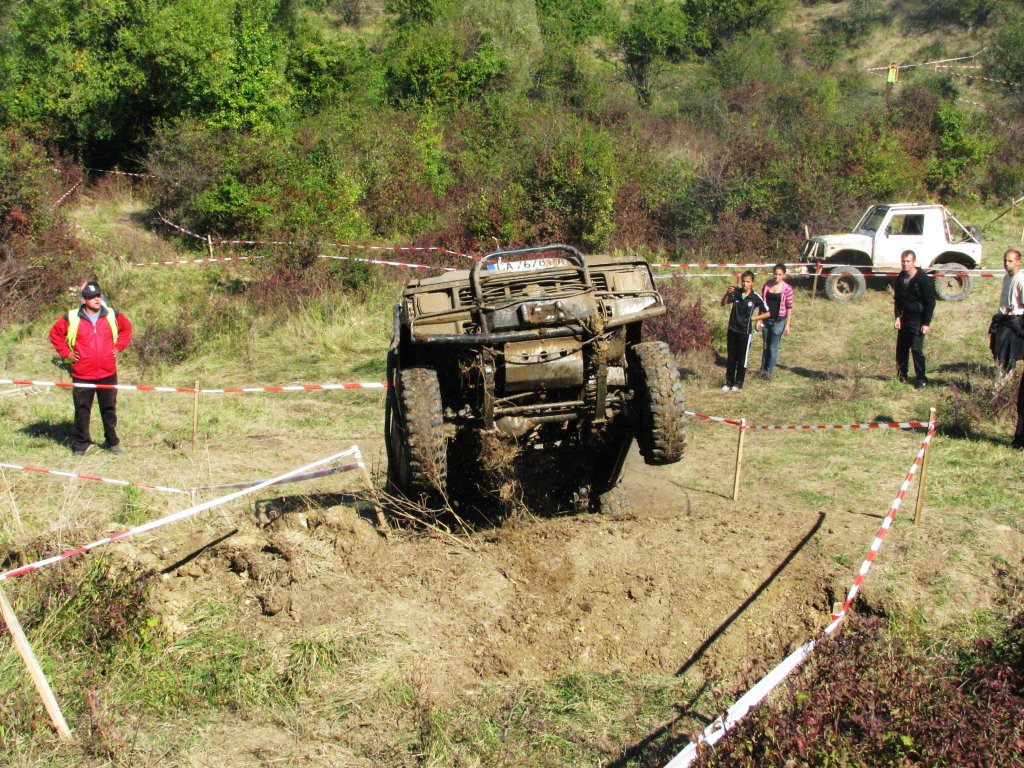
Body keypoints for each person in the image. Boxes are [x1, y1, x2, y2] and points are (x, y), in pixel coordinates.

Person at [49, 280, 132, 455]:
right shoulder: (71, 317)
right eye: (91, 297)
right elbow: (55, 334)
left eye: (98, 295)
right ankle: (81, 444)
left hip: (107, 372)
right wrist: (66, 353)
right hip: (82, 373)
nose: (96, 299)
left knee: (109, 409)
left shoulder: (112, 314)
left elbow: (127, 329)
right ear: (84, 300)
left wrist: (118, 347)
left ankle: (112, 442)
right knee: (82, 410)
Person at [720, 270, 770, 392]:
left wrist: (755, 318)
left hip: (745, 332)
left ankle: (738, 384)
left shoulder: (755, 297)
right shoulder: (736, 293)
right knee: (731, 357)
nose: (745, 284)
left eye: (747, 282)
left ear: (752, 283)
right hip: (732, 329)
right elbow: (723, 303)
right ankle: (728, 382)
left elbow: (768, 312)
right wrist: (727, 293)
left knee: (742, 359)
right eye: (743, 281)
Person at [893, 250, 935, 389]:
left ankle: (921, 379)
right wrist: (897, 316)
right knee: (901, 349)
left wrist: (926, 323)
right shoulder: (900, 277)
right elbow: (897, 299)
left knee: (916, 350)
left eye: (908, 261)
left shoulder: (921, 278)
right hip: (905, 317)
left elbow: (930, 301)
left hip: (918, 318)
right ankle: (901, 376)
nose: (905, 264)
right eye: (903, 261)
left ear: (914, 262)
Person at [988, 248, 1024, 375]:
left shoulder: (1021, 280)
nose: (1006, 263)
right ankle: (1003, 380)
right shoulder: (1007, 277)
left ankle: (1005, 385)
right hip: (1002, 320)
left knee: (1008, 356)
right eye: (1005, 260)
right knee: (998, 352)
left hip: (1013, 322)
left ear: (1018, 262)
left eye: (1010, 261)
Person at [755, 263, 794, 380]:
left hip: (778, 321)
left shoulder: (787, 289)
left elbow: (789, 307)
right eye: (775, 274)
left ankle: (769, 373)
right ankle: (763, 370)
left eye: (779, 275)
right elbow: (762, 305)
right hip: (766, 321)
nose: (777, 277)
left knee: (773, 347)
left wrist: (787, 324)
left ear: (784, 275)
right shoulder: (767, 286)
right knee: (765, 346)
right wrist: (759, 319)